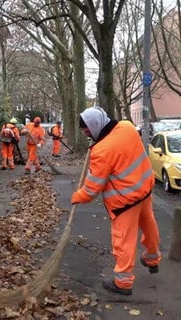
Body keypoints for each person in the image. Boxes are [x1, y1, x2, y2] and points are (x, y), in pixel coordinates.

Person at [71, 106, 161, 296]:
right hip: (144, 190)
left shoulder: (102, 150)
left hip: (124, 202)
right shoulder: (127, 127)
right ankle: (153, 260)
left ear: (95, 125)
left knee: (123, 241)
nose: (86, 133)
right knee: (149, 225)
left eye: (86, 129)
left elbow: (91, 189)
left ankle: (123, 282)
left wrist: (76, 196)